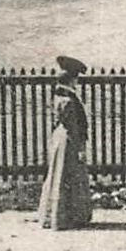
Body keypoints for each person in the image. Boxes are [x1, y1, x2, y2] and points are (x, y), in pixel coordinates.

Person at [38, 55, 93, 231]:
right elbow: (73, 126)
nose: (76, 82)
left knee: (61, 175)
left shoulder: (62, 97)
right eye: (75, 79)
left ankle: (59, 214)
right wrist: (80, 147)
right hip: (68, 140)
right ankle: (67, 216)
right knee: (67, 175)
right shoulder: (68, 100)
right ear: (71, 80)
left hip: (61, 139)